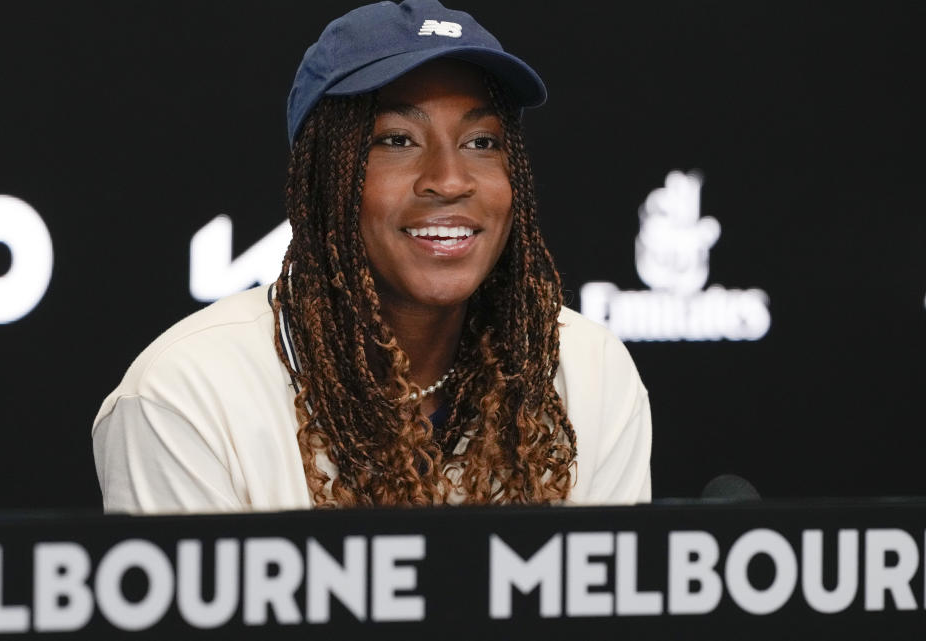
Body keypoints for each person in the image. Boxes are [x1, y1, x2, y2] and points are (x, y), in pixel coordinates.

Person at [92, 0, 652, 512]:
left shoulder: (587, 369)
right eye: (397, 140)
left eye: (481, 141)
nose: (449, 179)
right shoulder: (188, 394)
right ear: (322, 179)